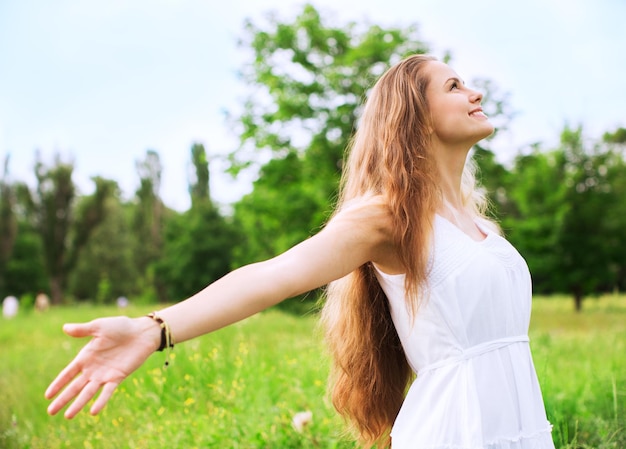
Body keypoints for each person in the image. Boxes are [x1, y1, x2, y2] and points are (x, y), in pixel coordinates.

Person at [45, 55, 555, 449]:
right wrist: (154, 329)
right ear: (415, 116)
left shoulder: (478, 222)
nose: (475, 91)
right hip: (455, 432)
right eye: (454, 86)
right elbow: (274, 275)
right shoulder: (387, 216)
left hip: (520, 426)